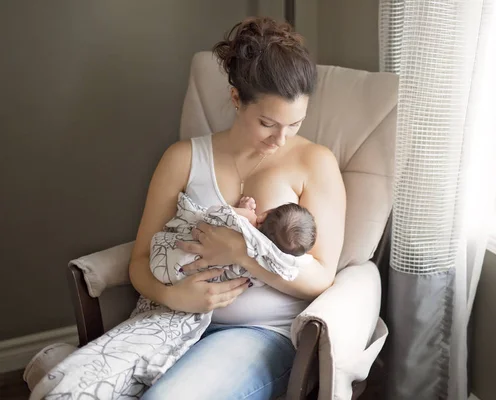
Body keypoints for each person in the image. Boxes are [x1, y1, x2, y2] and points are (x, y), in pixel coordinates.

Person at [129, 16, 346, 399]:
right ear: (235, 99)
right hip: (173, 317)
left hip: (259, 333)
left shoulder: (315, 162)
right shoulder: (182, 158)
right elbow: (141, 260)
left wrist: (242, 253)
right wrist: (174, 297)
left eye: (295, 124)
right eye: (267, 123)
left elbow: (321, 277)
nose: (281, 139)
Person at [151, 192, 317, 287]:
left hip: (169, 255)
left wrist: (242, 211)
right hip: (185, 280)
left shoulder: (248, 219)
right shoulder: (272, 265)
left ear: (265, 214)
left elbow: (216, 213)